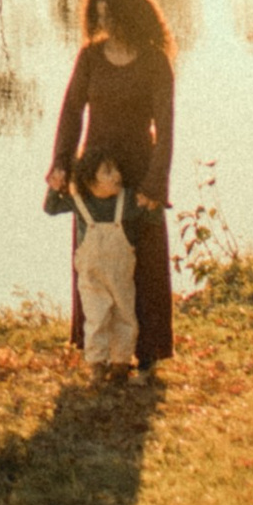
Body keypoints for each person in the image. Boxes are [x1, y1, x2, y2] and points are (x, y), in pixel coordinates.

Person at [45, 0, 176, 372]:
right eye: (99, 16)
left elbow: (166, 127)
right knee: (96, 259)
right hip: (94, 173)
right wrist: (61, 164)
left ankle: (147, 351)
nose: (104, 24)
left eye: (111, 16)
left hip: (138, 168)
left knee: (144, 260)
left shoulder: (155, 61)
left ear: (132, 16)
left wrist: (155, 183)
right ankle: (97, 349)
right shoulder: (90, 57)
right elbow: (71, 112)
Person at [48, 151, 148, 377]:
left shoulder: (127, 200)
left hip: (121, 274)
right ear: (89, 180)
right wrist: (54, 188)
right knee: (96, 317)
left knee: (125, 315)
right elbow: (51, 208)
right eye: (108, 172)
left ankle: (121, 363)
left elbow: (149, 214)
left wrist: (149, 203)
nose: (117, 175)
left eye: (116, 170)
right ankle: (97, 364)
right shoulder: (79, 202)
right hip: (91, 276)